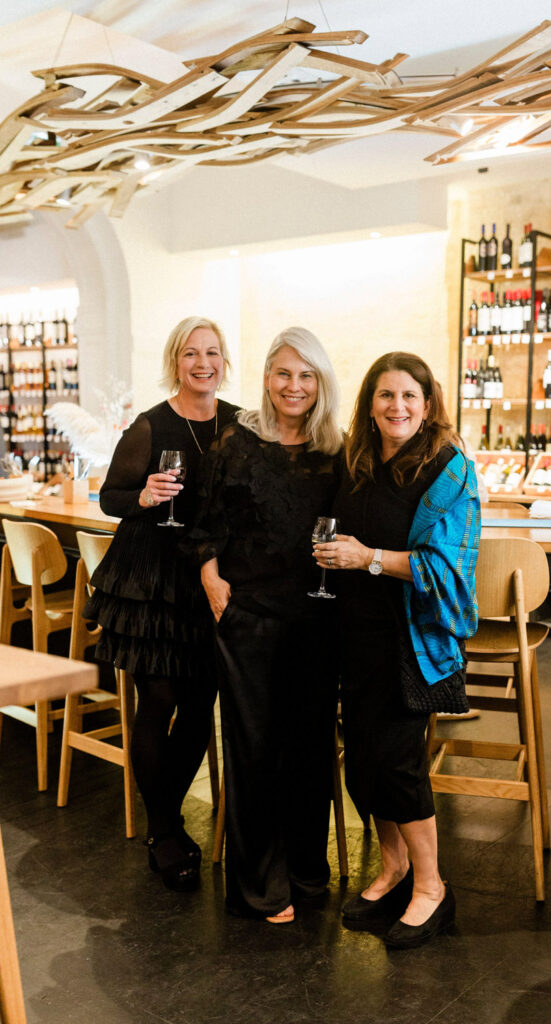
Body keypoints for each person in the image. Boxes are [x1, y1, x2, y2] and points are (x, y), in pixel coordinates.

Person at [314, 351, 481, 949]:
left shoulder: (448, 472)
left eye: (409, 396)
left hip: (410, 641)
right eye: (385, 396)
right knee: (361, 762)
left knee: (398, 763)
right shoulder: (358, 461)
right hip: (354, 634)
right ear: (370, 405)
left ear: (428, 404)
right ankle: (394, 868)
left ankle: (433, 888)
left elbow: (448, 568)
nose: (397, 407)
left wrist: (368, 559)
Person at [188, 326, 343, 924]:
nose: (294, 386)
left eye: (306, 375)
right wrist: (211, 579)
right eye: (283, 373)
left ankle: (306, 870)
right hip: (248, 616)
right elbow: (202, 522)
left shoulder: (337, 450)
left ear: (321, 382)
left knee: (308, 748)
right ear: (266, 378)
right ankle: (258, 887)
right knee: (254, 750)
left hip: (315, 616)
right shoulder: (236, 442)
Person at [85, 316, 239, 891]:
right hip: (153, 577)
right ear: (176, 361)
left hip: (207, 576)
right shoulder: (151, 425)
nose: (203, 364)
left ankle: (168, 817)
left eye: (212, 354)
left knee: (201, 705)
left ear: (224, 361)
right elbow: (109, 497)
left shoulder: (238, 422)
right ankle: (163, 828)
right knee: (160, 700)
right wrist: (146, 494)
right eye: (191, 354)